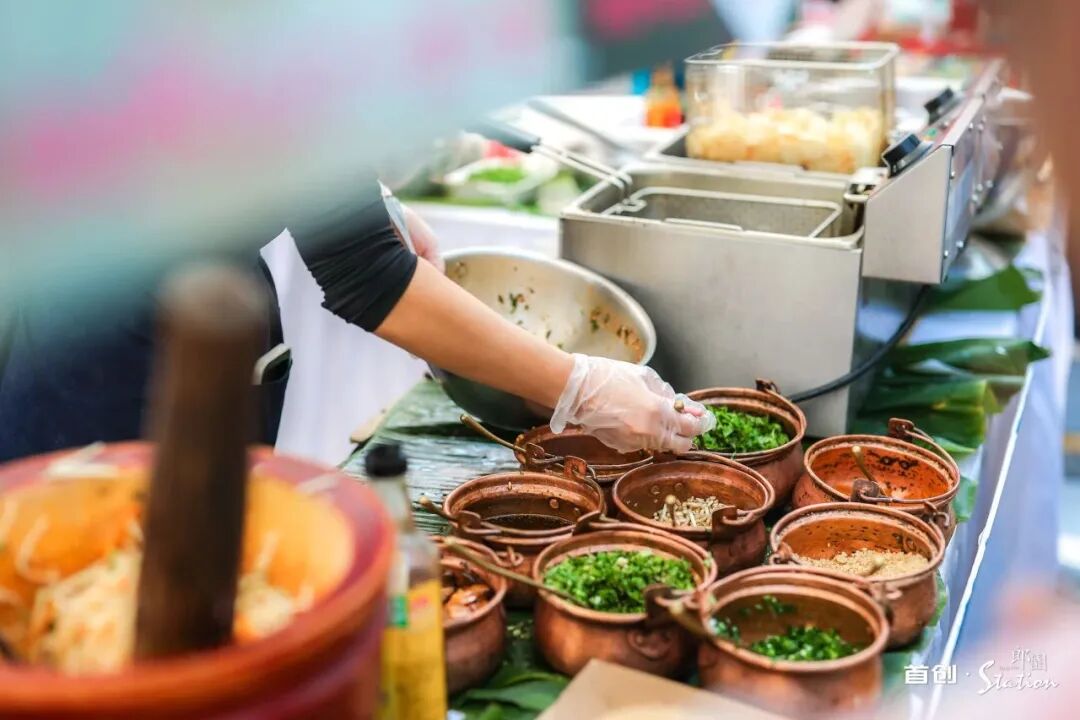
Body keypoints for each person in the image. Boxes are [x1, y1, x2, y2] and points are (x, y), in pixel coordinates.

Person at [0, 172, 711, 461]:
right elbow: (369, 279)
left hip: (202, 297)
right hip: (105, 353)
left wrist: (368, 197)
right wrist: (578, 385)